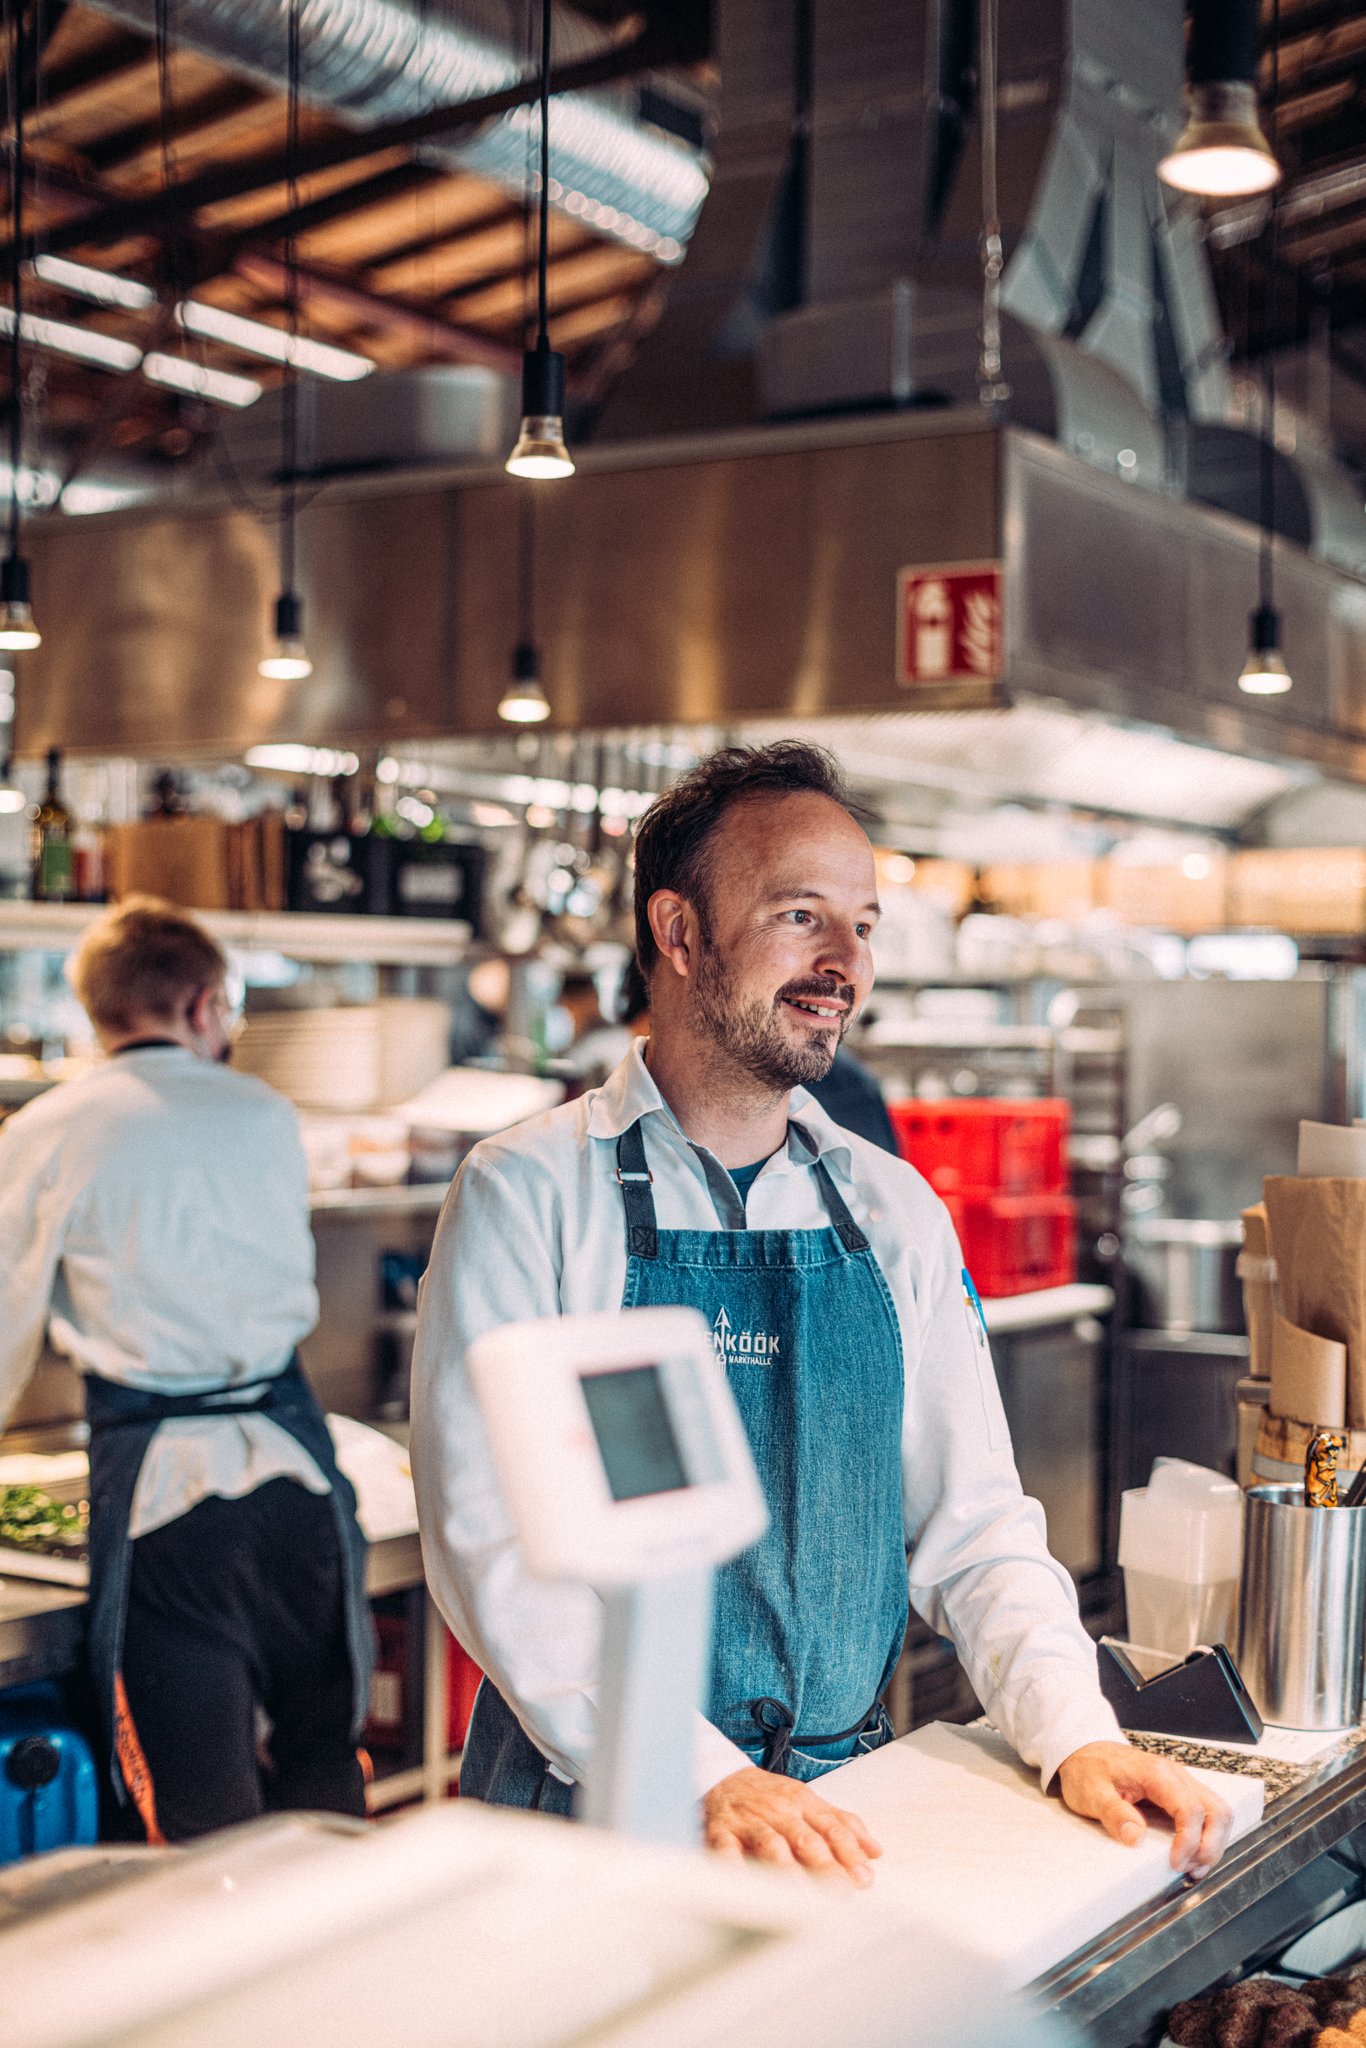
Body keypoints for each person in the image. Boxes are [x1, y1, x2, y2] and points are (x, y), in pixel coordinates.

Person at [412, 744, 1230, 1885]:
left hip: (838, 1806)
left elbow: (976, 1522)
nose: (845, 962)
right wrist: (701, 1773)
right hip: (591, 1808)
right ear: (680, 932)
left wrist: (1074, 1730)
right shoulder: (530, 1192)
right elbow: (494, 1544)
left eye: (864, 923)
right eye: (802, 915)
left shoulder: (891, 1207)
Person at [0, 897, 374, 1843]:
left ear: (96, 1012)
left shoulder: (48, 1128)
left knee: (201, 1813)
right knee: (325, 1767)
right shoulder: (268, 1112)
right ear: (205, 1004)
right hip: (301, 1483)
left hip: (169, 1506)